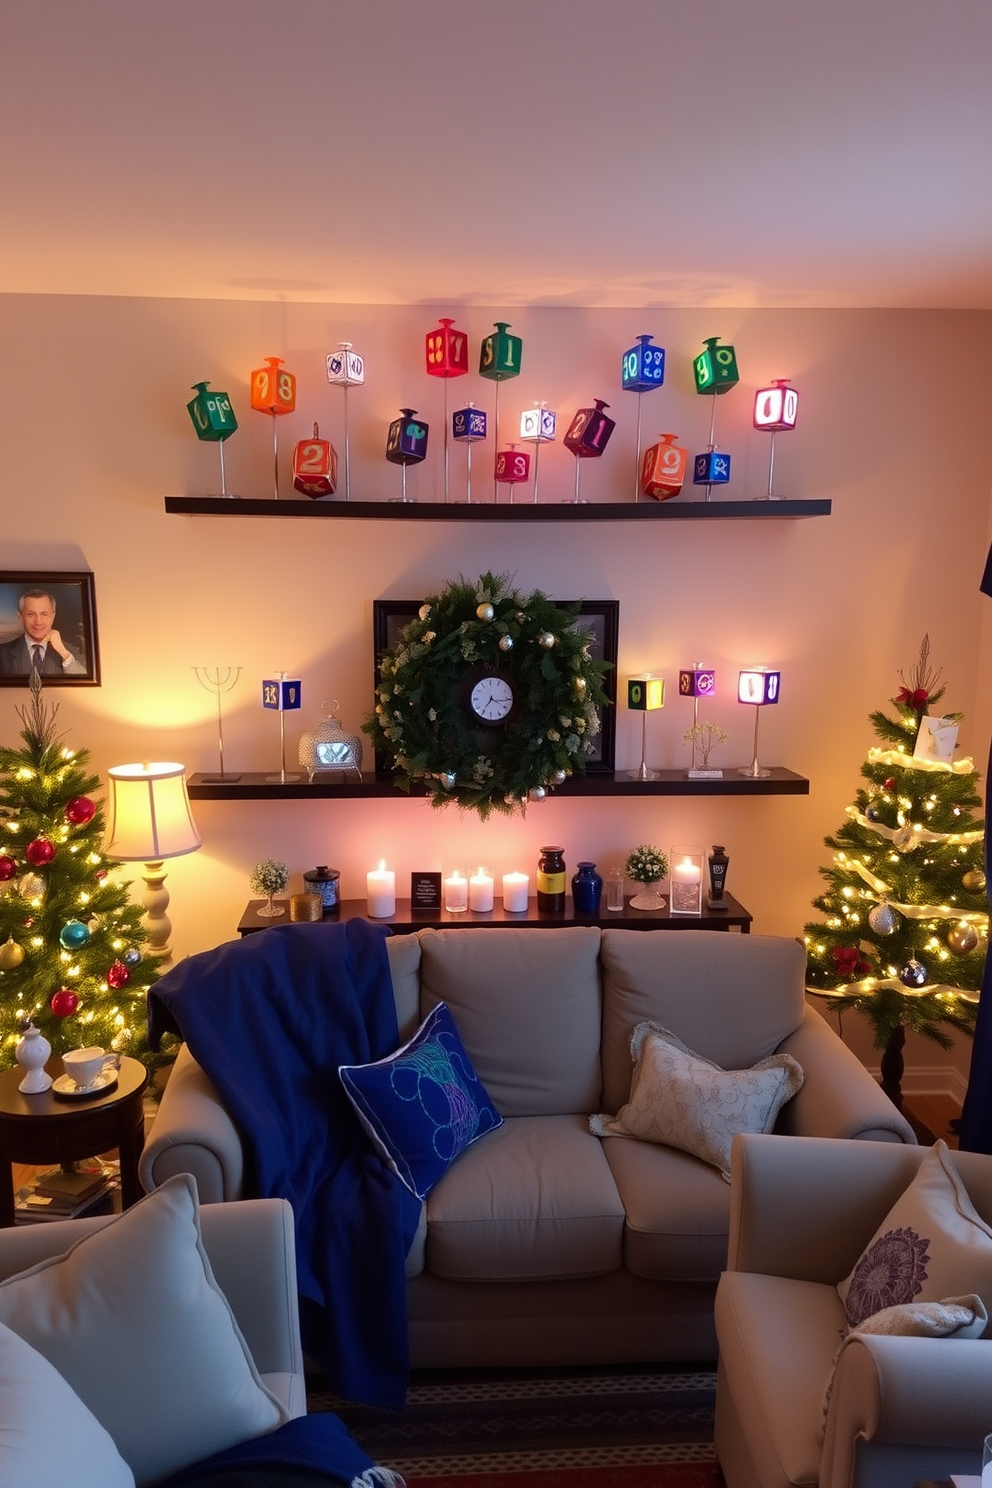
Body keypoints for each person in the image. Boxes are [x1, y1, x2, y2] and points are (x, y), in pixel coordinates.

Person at [0, 589, 85, 676]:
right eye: (31, 615)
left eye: (44, 614)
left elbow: (85, 686)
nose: (38, 622)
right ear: (20, 617)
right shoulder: (2, 653)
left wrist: (64, 653)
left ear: (53, 617)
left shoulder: (71, 652)